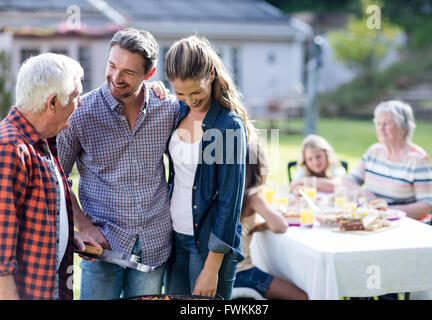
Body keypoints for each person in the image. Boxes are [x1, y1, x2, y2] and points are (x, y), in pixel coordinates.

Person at [56, 28, 180, 299]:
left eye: (129, 72)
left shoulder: (169, 109)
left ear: (149, 73)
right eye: (112, 65)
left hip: (155, 243)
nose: (116, 77)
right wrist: (83, 225)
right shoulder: (80, 114)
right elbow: (57, 177)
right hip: (103, 247)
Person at [163, 35, 251, 299]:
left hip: (209, 248)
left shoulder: (228, 127)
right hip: (175, 239)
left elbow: (230, 202)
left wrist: (212, 267)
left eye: (196, 92)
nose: (190, 100)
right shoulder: (177, 111)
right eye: (180, 92)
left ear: (211, 75)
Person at [0, 53, 94, 299]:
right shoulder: (10, 148)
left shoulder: (41, 140)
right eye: (75, 97)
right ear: (53, 102)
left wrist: (61, 233)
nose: (80, 104)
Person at [234, 141, 308, 300]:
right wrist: (269, 223)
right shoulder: (253, 197)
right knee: (302, 297)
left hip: (222, 272)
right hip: (242, 273)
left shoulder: (229, 192)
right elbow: (280, 226)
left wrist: (261, 225)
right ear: (260, 168)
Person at [343, 100, 432, 222]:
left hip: (403, 224)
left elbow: (426, 205)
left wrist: (389, 211)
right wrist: (364, 193)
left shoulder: (418, 159)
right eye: (379, 123)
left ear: (403, 128)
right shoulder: (374, 151)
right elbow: (347, 181)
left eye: (386, 124)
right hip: (374, 220)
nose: (381, 128)